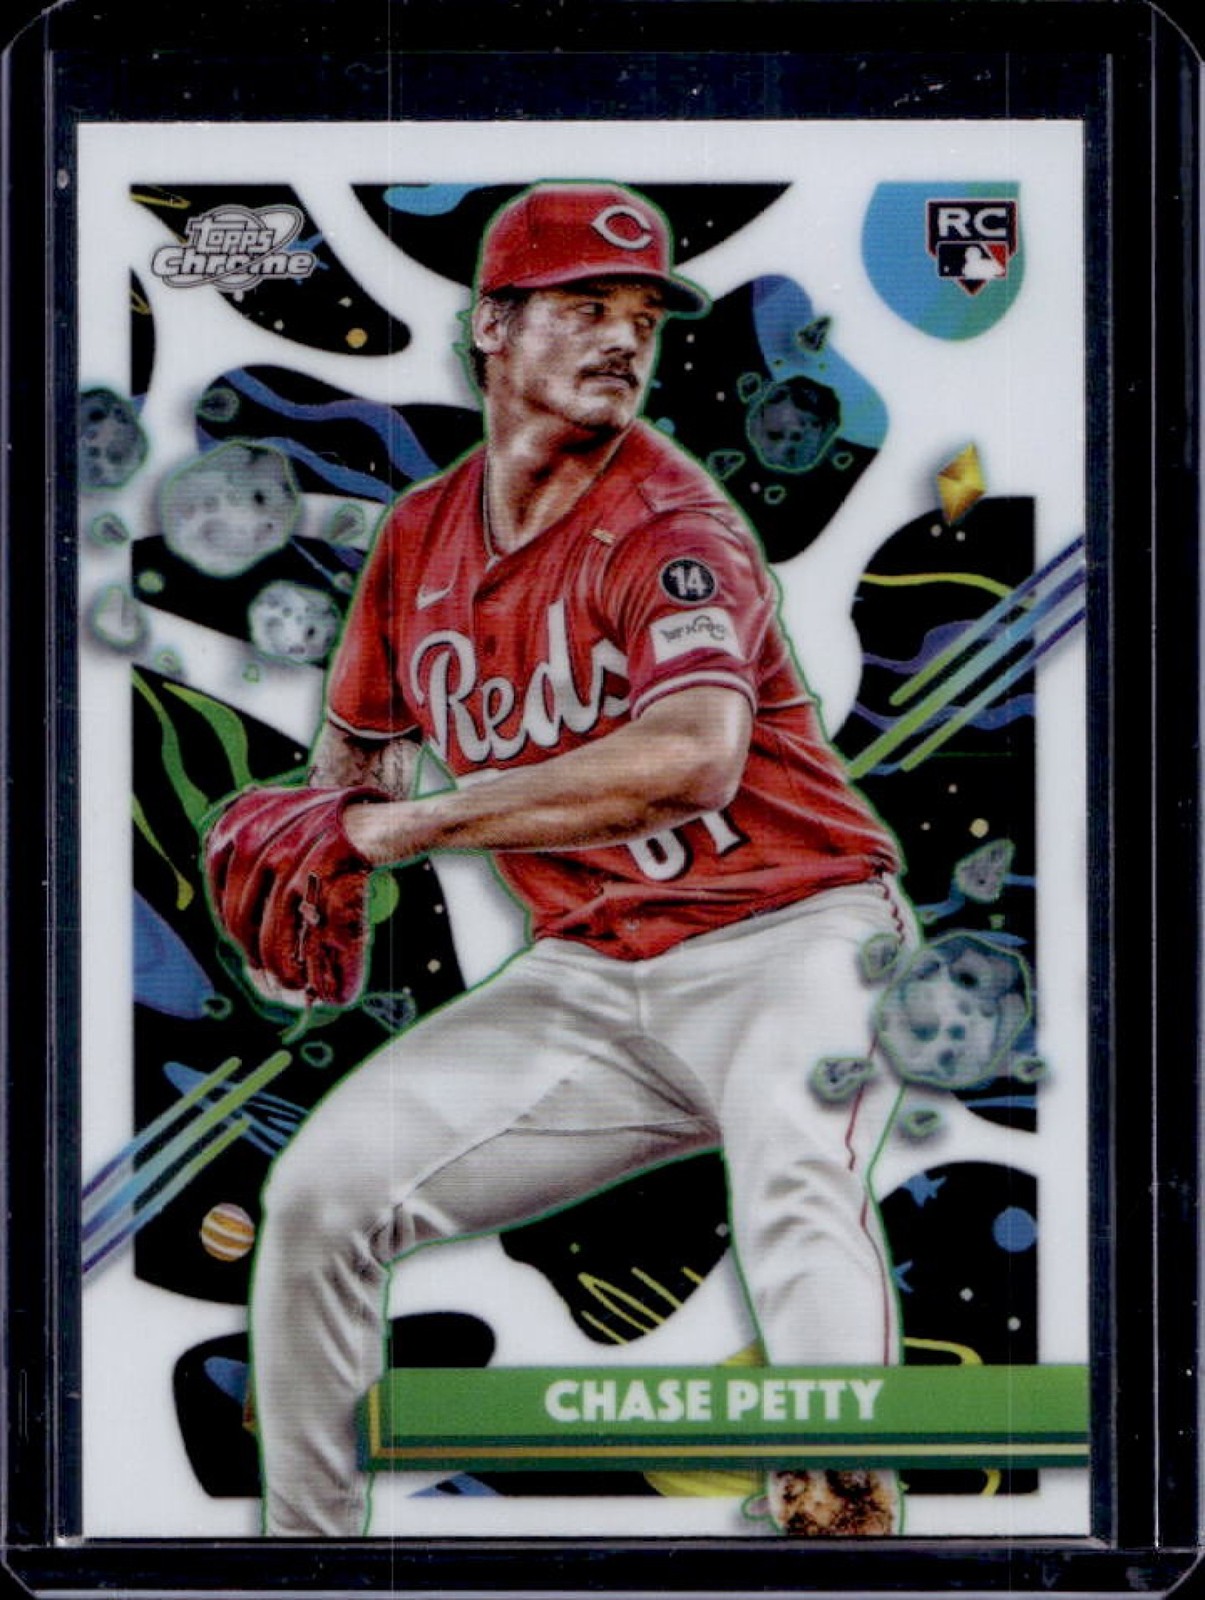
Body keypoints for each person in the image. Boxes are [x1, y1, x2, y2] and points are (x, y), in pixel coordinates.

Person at [207, 181, 916, 1538]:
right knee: (320, 1198)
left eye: (643, 314)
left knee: (795, 1171)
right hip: (591, 976)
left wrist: (402, 829)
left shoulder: (670, 526)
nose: (623, 337)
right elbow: (357, 776)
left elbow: (690, 759)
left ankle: (841, 1524)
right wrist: (318, 859)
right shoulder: (418, 539)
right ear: (493, 325)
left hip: (798, 937)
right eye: (585, 305)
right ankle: (308, 1565)